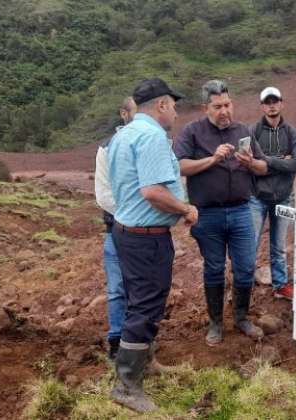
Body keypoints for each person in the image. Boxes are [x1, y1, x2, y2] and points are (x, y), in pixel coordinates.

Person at [108, 78, 197, 412]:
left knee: (139, 300)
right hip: (145, 238)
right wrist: (185, 208)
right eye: (173, 105)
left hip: (129, 232)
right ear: (161, 105)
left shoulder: (125, 133)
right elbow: (153, 191)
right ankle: (127, 387)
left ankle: (145, 363)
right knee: (145, 305)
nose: (175, 112)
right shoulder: (152, 137)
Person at [175, 79, 268, 346]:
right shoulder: (192, 132)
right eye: (217, 107)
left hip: (241, 211)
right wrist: (213, 159)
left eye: (227, 105)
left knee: (246, 267)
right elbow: (180, 166)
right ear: (206, 108)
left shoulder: (243, 130)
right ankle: (216, 323)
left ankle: (241, 317)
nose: (224, 111)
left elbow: (263, 168)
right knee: (214, 268)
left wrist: (251, 162)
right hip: (208, 214)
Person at [248, 87, 296, 300]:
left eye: (275, 101)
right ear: (262, 106)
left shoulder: (292, 133)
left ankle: (280, 284)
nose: (272, 105)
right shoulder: (253, 132)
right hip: (256, 197)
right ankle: (245, 283)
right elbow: (249, 164)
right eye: (267, 101)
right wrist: (282, 161)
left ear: (282, 103)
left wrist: (267, 162)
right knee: (249, 244)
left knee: (279, 246)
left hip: (282, 197)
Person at [95, 96, 136, 360]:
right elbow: (104, 195)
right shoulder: (107, 149)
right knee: (117, 289)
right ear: (123, 114)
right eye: (135, 111)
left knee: (144, 289)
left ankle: (139, 343)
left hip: (148, 232)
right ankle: (116, 341)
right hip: (118, 231)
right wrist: (135, 214)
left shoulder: (154, 143)